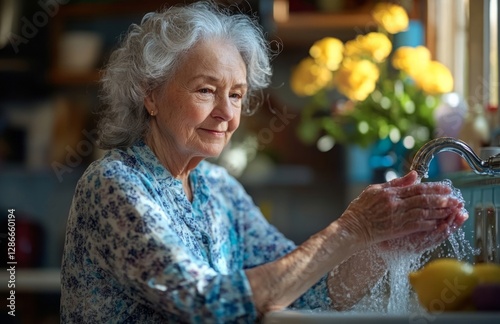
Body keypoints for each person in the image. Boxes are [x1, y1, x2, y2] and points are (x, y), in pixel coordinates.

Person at [60, 1, 468, 323]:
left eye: (236, 95)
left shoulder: (220, 191)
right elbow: (205, 305)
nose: (227, 113)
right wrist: (353, 227)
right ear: (151, 94)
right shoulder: (114, 183)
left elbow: (312, 292)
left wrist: (379, 245)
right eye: (206, 90)